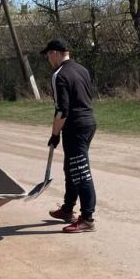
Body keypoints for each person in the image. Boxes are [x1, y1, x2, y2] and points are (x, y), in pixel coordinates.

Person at [41, 39, 98, 233]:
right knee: (71, 167)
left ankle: (87, 218)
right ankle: (67, 209)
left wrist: (55, 134)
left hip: (75, 127)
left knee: (81, 171)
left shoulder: (59, 75)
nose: (48, 59)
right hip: (89, 123)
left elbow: (62, 110)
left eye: (48, 55)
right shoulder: (82, 69)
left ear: (55, 53)